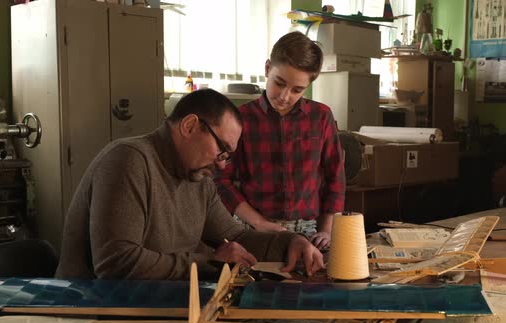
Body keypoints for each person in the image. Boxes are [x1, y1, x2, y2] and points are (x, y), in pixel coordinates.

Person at [55, 89, 323, 280]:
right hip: (93, 311)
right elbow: (116, 263)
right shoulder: (129, 160)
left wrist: (291, 242)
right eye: (222, 150)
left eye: (227, 156)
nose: (222, 164)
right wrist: (210, 263)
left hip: (154, 305)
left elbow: (237, 237)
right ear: (190, 125)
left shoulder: (198, 176)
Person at [215, 31, 345, 249]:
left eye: (297, 90)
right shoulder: (240, 119)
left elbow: (335, 177)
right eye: (279, 83)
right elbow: (220, 180)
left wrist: (327, 229)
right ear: (267, 69)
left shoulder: (321, 116)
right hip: (252, 229)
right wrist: (259, 222)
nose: (285, 96)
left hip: (309, 231)